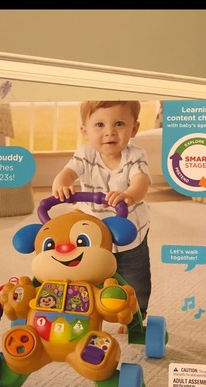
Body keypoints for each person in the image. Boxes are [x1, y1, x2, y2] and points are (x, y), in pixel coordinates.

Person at [52, 100, 151, 332]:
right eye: (99, 125)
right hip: (91, 234)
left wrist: (128, 196)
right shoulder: (85, 154)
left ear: (134, 129)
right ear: (85, 131)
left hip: (129, 233)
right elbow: (67, 173)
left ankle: (136, 315)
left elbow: (141, 182)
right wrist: (61, 185)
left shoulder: (136, 155)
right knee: (85, 275)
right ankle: (84, 313)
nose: (110, 132)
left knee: (134, 278)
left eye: (119, 124)